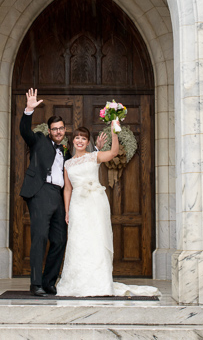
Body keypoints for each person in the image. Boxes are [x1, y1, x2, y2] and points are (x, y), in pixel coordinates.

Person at [57, 125, 158, 297]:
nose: (80, 141)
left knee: (96, 238)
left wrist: (114, 134)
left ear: (88, 142)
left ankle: (99, 282)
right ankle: (77, 282)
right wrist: (66, 211)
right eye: (77, 138)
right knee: (78, 241)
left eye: (83, 138)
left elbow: (113, 153)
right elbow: (67, 189)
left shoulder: (94, 156)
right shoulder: (68, 163)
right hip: (77, 205)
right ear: (72, 141)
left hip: (95, 202)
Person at [18, 88, 70, 296]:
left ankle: (49, 281)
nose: (58, 132)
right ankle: (36, 283)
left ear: (65, 130)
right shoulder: (39, 140)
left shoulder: (66, 152)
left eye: (61, 129)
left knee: (59, 240)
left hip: (58, 195)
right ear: (49, 131)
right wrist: (28, 110)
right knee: (39, 237)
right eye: (54, 129)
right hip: (40, 192)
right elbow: (25, 132)